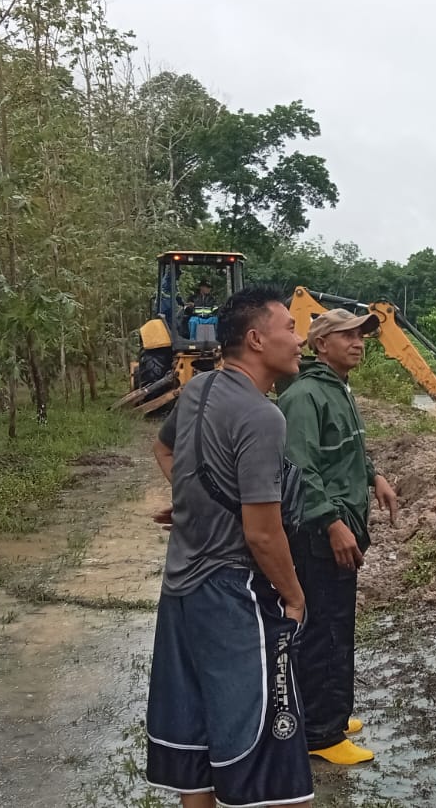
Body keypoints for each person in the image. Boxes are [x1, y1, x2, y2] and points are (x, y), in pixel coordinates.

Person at [144, 286, 314, 808]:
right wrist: (295, 595)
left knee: (197, 758)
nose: (299, 337)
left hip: (181, 597)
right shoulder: (264, 417)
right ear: (258, 339)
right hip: (232, 597)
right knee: (269, 759)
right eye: (289, 327)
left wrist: (195, 501)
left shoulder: (199, 390)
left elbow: (165, 446)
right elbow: (263, 533)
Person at [276, 308, 399, 765]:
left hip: (341, 524)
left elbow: (345, 450)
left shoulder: (337, 390)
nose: (358, 342)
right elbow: (300, 468)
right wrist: (332, 523)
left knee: (336, 623)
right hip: (319, 533)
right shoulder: (306, 396)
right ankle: (321, 735)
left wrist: (375, 476)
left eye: (362, 335)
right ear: (320, 343)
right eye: (346, 335)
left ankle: (331, 710)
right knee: (324, 628)